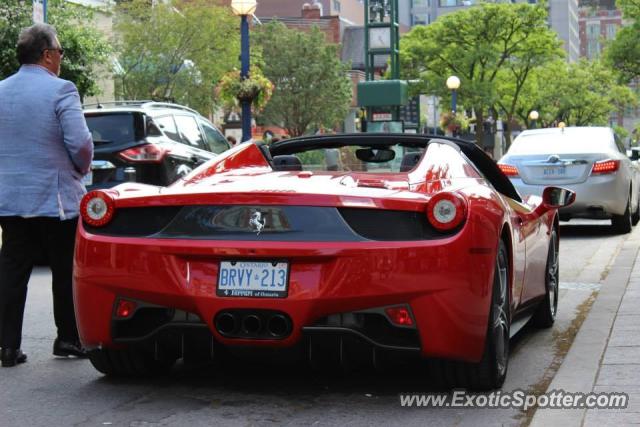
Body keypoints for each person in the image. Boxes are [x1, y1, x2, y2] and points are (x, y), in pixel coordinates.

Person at [0, 24, 93, 367]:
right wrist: (82, 170)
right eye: (61, 51)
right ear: (47, 54)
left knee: (12, 269)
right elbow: (80, 144)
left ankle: (7, 347)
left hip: (9, 198)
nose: (61, 58)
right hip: (55, 198)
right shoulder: (61, 90)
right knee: (63, 268)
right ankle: (67, 338)